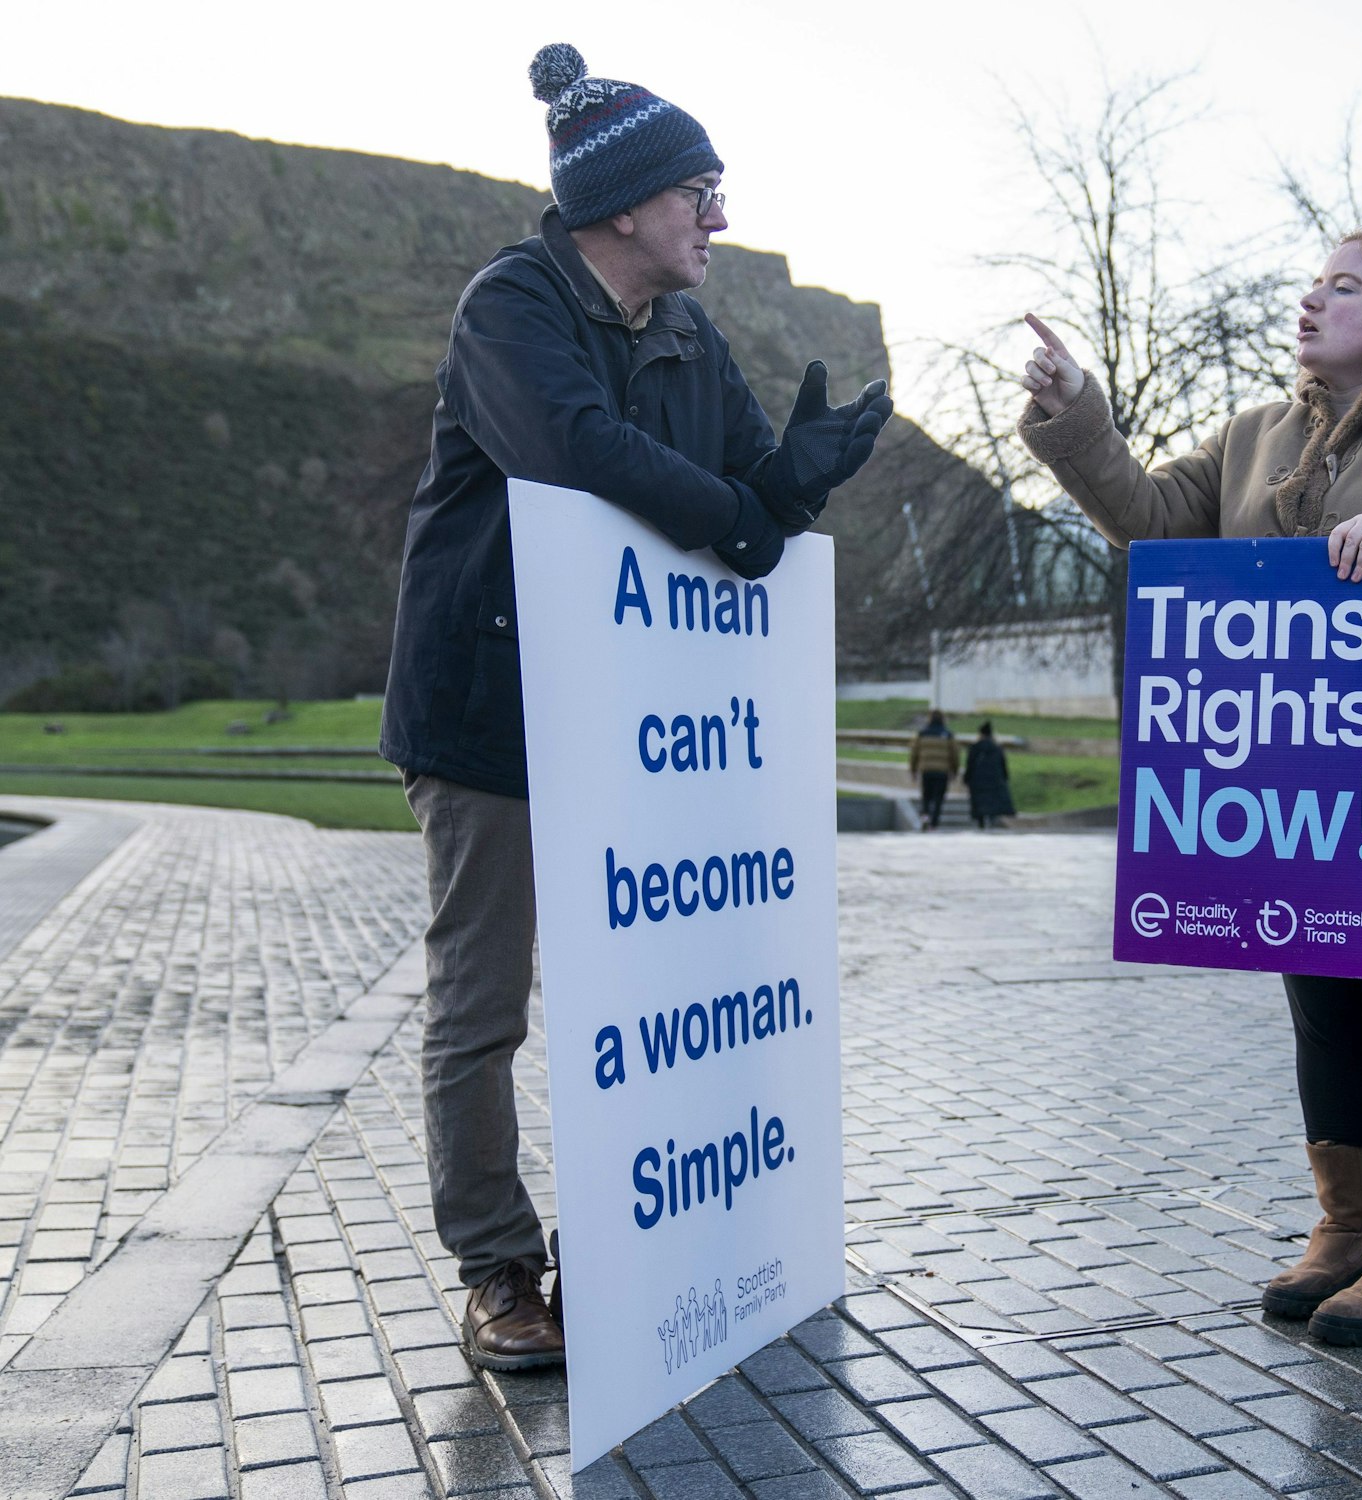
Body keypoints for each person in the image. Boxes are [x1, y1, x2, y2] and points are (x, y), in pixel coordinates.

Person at [377, 44, 891, 1370]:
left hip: (631, 723)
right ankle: (497, 1267)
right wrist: (743, 514)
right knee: (483, 1003)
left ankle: (637, 1243)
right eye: (698, 192)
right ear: (619, 205)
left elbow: (744, 498)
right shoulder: (510, 305)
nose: (720, 216)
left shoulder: (686, 332)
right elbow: (574, 454)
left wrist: (797, 480)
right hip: (491, 708)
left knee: (660, 988)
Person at [1018, 230, 1362, 1346]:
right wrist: (1078, 412)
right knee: (1324, 1021)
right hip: (1293, 780)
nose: (1310, 300)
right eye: (1312, 283)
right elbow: (1143, 515)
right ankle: (1342, 1232)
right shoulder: (1251, 435)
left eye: (1342, 286)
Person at [908, 710, 959, 829]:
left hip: (926, 770)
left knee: (926, 796)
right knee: (938, 798)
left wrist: (913, 770)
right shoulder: (948, 735)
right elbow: (954, 754)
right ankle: (934, 823)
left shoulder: (922, 734)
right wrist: (954, 770)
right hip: (942, 772)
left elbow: (914, 753)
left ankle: (925, 817)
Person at [963, 721, 1016, 829]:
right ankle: (992, 821)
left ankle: (981, 823)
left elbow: (970, 765)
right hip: (994, 780)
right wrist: (1004, 778)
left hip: (978, 781)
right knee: (993, 803)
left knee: (979, 803)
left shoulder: (975, 748)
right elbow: (1003, 766)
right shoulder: (997, 748)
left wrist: (967, 778)